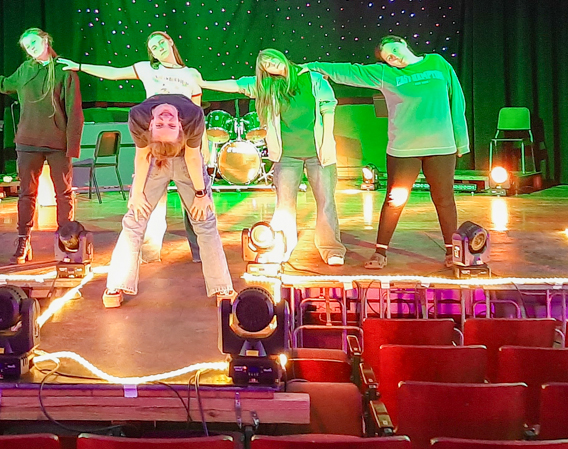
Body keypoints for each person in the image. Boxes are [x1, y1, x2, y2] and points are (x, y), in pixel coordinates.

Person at [306, 35, 470, 269]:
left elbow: (457, 102)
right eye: (388, 57)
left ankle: (452, 252)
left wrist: (461, 141)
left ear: (403, 43)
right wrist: (313, 67)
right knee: (394, 200)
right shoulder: (386, 74)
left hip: (441, 147)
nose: (393, 57)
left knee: (444, 199)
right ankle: (380, 252)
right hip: (404, 149)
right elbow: (351, 71)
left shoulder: (437, 63)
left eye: (393, 50)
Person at [58, 31, 202, 263]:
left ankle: (200, 253)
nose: (158, 48)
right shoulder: (147, 69)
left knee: (194, 203)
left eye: (160, 43)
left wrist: (199, 149)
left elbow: (197, 113)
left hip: (184, 145)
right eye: (153, 47)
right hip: (155, 143)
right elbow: (114, 74)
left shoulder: (191, 74)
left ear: (170, 41)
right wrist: (79, 66)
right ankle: (149, 254)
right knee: (151, 202)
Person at [200, 49, 346, 266]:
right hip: (287, 155)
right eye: (265, 64)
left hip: (318, 152)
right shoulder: (267, 86)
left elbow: (328, 108)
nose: (271, 64)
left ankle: (331, 249)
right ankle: (281, 248)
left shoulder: (312, 78)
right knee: (284, 205)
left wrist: (326, 141)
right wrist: (202, 83)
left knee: (326, 202)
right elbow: (236, 85)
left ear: (282, 56)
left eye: (272, 59)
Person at [103, 93, 234, 308]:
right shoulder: (137, 116)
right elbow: (143, 156)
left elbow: (192, 157)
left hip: (185, 161)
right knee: (135, 218)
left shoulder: (193, 115)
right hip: (156, 160)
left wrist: (201, 195)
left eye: (170, 124)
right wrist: (136, 193)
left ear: (181, 127)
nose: (166, 118)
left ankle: (221, 286)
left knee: (204, 222)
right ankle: (117, 284)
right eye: (161, 123)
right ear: (150, 125)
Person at [0, 28, 83, 264]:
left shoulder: (64, 70)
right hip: (28, 141)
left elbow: (74, 113)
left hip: (56, 143)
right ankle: (23, 240)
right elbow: (1, 83)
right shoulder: (26, 69)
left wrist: (72, 147)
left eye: (33, 42)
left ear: (45, 39)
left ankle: (66, 239)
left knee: (63, 193)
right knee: (26, 193)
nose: (31, 48)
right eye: (26, 46)